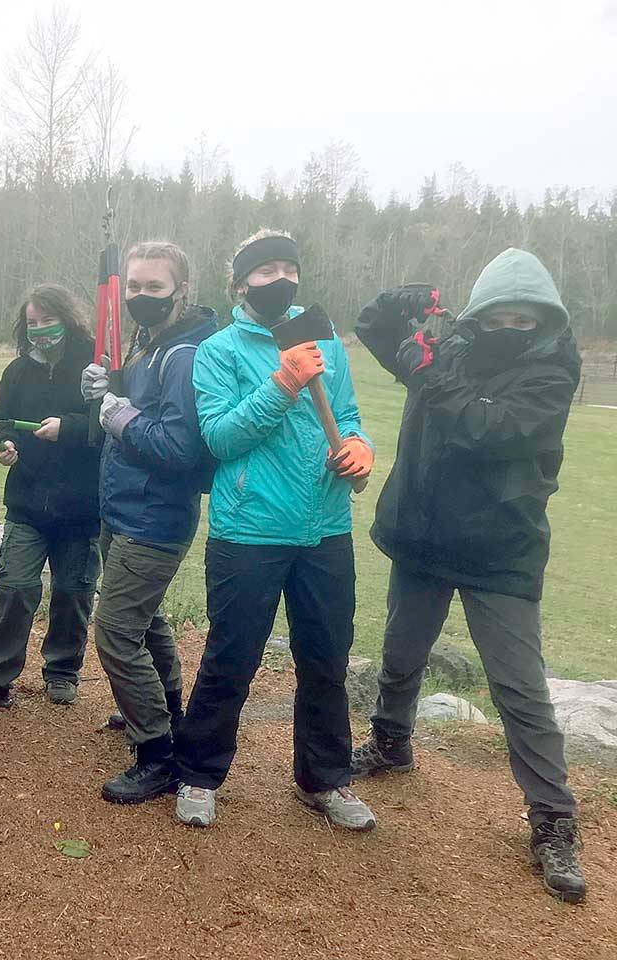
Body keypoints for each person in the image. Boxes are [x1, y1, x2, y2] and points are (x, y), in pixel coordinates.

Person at [352, 250, 586, 903]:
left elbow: (487, 428)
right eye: (498, 315)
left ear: (544, 321)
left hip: (500, 551)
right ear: (478, 314)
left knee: (520, 688)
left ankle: (552, 819)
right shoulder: (451, 347)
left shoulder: (551, 372)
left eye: (524, 318)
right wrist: (405, 301)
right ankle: (390, 744)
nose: (510, 326)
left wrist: (428, 370)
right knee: (401, 655)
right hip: (426, 534)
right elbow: (373, 328)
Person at [172, 229, 377, 832]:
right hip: (248, 530)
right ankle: (199, 773)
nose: (279, 280)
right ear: (240, 284)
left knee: (326, 659)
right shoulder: (218, 351)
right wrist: (282, 384)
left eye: (288, 268)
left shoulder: (324, 337)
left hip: (325, 525)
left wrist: (359, 446)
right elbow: (221, 438)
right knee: (231, 657)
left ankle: (325, 779)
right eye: (265, 272)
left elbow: (347, 415)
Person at [79, 241, 219, 804]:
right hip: (124, 506)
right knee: (144, 619)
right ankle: (165, 710)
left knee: (115, 632)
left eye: (154, 287)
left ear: (181, 291)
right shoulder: (148, 341)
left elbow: (179, 447)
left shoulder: (182, 354)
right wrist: (107, 389)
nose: (141, 296)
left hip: (154, 517)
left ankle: (157, 752)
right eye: (134, 286)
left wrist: (118, 414)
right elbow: (135, 411)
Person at [0, 284, 102, 711]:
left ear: (68, 319)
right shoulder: (17, 371)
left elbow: (105, 424)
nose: (40, 329)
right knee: (15, 587)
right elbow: (0, 422)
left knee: (73, 593)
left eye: (48, 320)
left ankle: (62, 671)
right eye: (32, 322)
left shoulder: (95, 368)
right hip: (27, 504)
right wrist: (3, 445)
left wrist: (67, 428)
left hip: (82, 509)